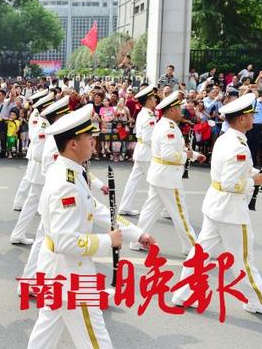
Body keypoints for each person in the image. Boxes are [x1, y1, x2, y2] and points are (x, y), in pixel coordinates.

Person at [27, 104, 155, 349]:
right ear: (73, 144)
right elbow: (67, 242)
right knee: (95, 339)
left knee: (45, 333)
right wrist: (108, 241)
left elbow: (97, 209)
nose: (94, 142)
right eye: (89, 137)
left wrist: (136, 234)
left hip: (57, 268)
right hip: (70, 271)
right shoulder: (66, 183)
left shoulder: (70, 172)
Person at [172, 93, 262, 315]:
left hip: (217, 206)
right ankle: (258, 300)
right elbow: (231, 183)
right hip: (230, 210)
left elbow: (230, 172)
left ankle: (183, 292)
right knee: (242, 259)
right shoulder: (239, 146)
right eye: (250, 114)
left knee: (200, 253)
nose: (254, 116)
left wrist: (253, 174)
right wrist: (254, 180)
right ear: (241, 119)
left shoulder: (227, 138)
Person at [132, 91, 206, 255]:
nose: (181, 111)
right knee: (180, 213)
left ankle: (137, 240)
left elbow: (175, 150)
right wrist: (186, 156)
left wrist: (193, 155)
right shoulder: (168, 128)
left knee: (150, 211)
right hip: (168, 177)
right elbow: (169, 154)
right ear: (171, 110)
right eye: (178, 108)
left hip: (161, 175)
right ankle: (193, 248)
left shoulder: (164, 124)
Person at [17, 96, 71, 292]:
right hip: (50, 187)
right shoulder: (51, 135)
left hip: (52, 190)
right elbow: (44, 160)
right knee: (46, 239)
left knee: (46, 238)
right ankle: (31, 282)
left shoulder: (56, 134)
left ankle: (30, 282)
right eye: (66, 113)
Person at [10, 91, 57, 245]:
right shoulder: (42, 120)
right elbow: (36, 137)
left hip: (40, 165)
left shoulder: (43, 119)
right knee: (34, 201)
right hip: (39, 165)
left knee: (37, 201)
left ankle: (20, 233)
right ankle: (20, 234)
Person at [118, 86, 159, 216]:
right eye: (153, 99)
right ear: (147, 101)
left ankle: (125, 206)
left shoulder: (143, 113)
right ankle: (159, 209)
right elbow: (148, 138)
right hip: (147, 152)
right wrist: (159, 149)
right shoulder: (148, 115)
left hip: (141, 151)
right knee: (155, 182)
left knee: (133, 181)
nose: (155, 101)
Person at [12, 89, 49, 211]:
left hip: (38, 150)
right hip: (36, 151)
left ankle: (21, 202)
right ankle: (21, 203)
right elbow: (34, 135)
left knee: (30, 178)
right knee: (30, 178)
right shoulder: (37, 115)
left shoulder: (40, 114)